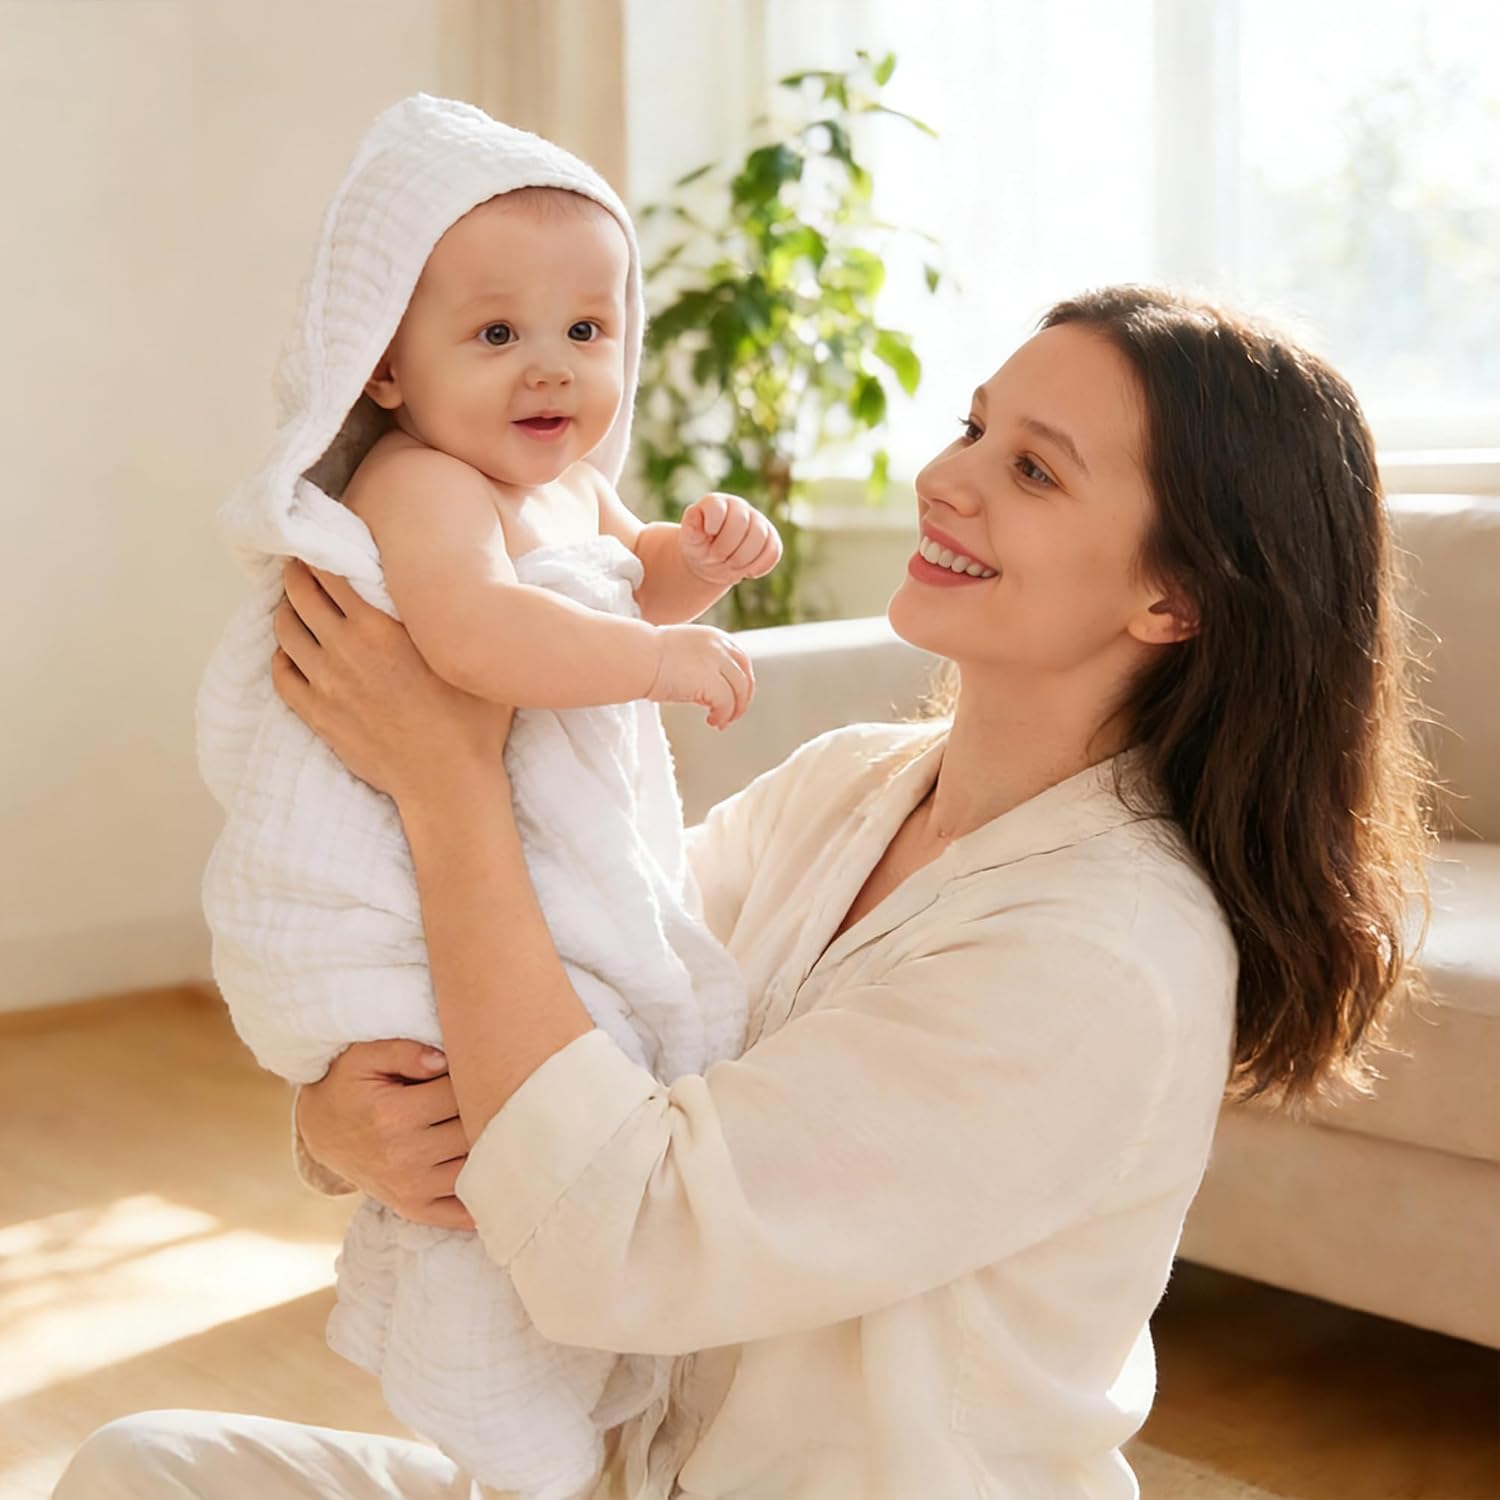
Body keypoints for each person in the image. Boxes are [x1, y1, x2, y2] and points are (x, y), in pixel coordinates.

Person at [57, 286, 1432, 1499]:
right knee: (148, 1468)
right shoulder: (853, 785)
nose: (948, 480)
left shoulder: (1107, 957)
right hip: (625, 1474)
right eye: (970, 427)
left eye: (1034, 470)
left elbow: (624, 1241)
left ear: (1175, 600)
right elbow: (572, 1004)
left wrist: (448, 782)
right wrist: (343, 1123)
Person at [194, 94, 779, 1495]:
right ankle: (528, 1439)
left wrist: (689, 569)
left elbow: (618, 581)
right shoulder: (422, 487)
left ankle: (582, 1429)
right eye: (497, 332)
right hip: (390, 900)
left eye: (589, 330)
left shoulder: (572, 493)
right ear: (385, 365)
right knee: (480, 1176)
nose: (553, 371)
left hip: (502, 842)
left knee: (560, 1139)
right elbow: (472, 640)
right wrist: (655, 651)